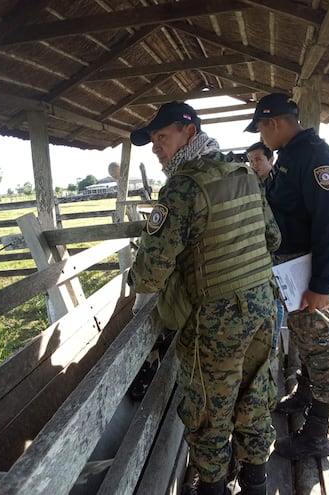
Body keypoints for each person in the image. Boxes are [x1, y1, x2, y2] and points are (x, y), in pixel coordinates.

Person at [128, 101, 281, 495]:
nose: (156, 147)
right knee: (255, 396)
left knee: (209, 412)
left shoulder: (182, 186)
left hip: (216, 321)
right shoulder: (245, 175)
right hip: (263, 307)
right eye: (153, 141)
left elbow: (148, 275)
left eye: (162, 137)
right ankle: (256, 484)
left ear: (189, 133)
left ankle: (212, 487)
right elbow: (273, 239)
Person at [245, 92, 329, 460]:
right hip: (290, 268)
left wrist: (322, 285)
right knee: (305, 340)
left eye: (260, 127)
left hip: (306, 270)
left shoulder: (314, 156)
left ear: (274, 123)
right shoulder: (291, 155)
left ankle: (317, 433)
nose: (261, 136)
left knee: (320, 348)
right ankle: (306, 392)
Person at [246, 142, 284, 354]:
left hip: (276, 249)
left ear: (271, 159)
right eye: (251, 160)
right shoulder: (250, 185)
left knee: (275, 298)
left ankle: (272, 344)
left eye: (258, 159)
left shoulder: (279, 185)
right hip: (256, 252)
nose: (254, 164)